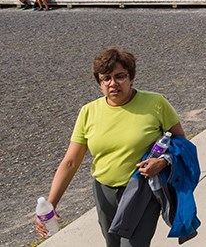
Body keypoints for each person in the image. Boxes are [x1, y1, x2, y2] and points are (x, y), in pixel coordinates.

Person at [35, 47, 186, 245]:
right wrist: (50, 205)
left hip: (142, 190)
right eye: (106, 78)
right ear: (99, 83)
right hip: (104, 192)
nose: (113, 83)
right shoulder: (88, 112)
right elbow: (70, 162)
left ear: (131, 77)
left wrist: (163, 162)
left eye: (120, 76)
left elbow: (181, 142)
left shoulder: (156, 103)